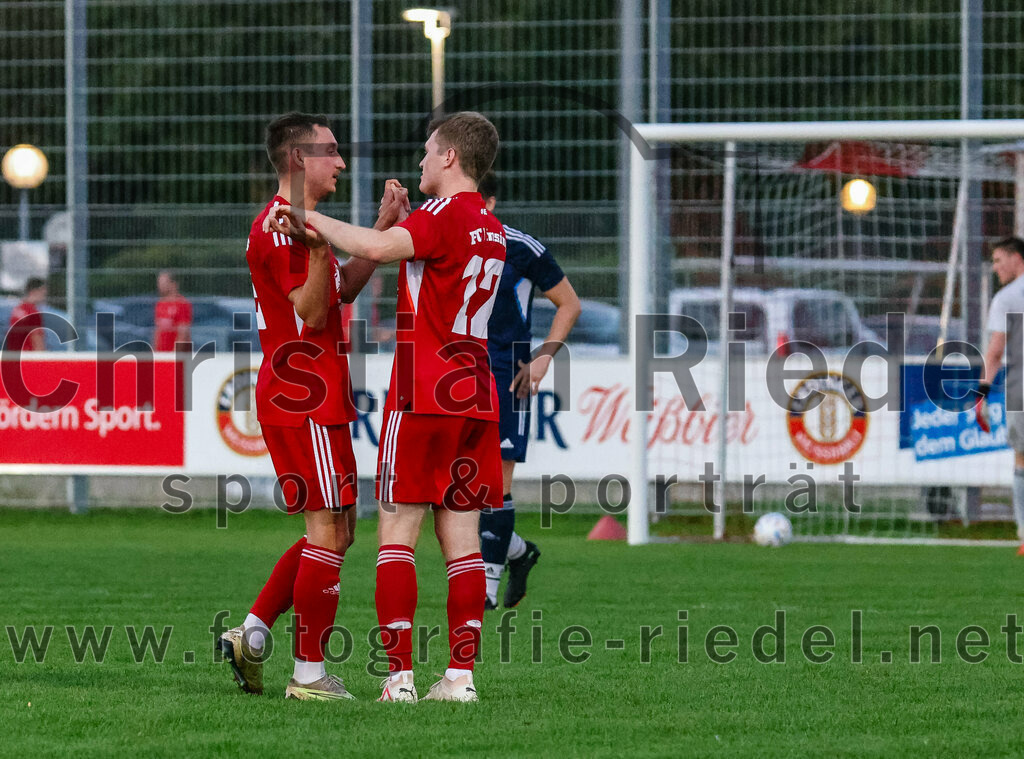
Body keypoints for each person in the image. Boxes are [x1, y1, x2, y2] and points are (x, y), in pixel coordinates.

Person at [268, 111, 504, 703]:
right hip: (476, 395)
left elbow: (375, 247)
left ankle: (398, 680)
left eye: (428, 151)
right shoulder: (492, 227)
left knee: (397, 533)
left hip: (424, 392)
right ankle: (459, 679)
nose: (421, 161)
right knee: (465, 542)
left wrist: (307, 217)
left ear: (450, 157)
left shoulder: (441, 216)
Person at [217, 112, 408, 701]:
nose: (341, 163)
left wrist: (376, 231)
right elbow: (313, 312)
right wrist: (322, 254)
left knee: (338, 529)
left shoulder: (297, 224)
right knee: (328, 529)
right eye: (330, 151)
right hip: (305, 397)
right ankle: (307, 675)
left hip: (310, 394)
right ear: (299, 159)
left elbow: (340, 292)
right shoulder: (281, 227)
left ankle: (251, 634)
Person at [476, 170, 580, 610]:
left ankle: (487, 588)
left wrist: (543, 357)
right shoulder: (440, 238)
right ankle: (518, 550)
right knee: (456, 491)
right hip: (455, 376)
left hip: (507, 375)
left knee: (494, 486)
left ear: (492, 202)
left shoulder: (520, 246)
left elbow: (568, 303)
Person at [976, 236, 1024, 554]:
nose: (994, 268)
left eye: (997, 260)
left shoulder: (1008, 298)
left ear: (1016, 258)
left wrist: (981, 394)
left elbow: (995, 353)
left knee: (1022, 458)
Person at [153, 271, 192, 351]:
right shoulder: (160, 303)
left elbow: (183, 332)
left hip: (174, 353)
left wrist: (175, 353)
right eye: (159, 283)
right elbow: (158, 330)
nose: (160, 286)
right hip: (161, 353)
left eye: (164, 283)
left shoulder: (182, 303)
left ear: (173, 284)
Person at [7, 278, 47, 352]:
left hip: (14, 354)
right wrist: (43, 358)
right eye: (43, 293)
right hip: (29, 356)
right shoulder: (33, 312)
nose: (44, 297)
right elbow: (36, 338)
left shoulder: (17, 309)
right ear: (34, 292)